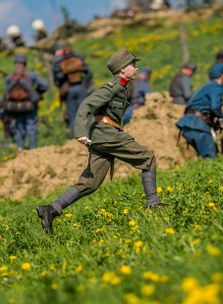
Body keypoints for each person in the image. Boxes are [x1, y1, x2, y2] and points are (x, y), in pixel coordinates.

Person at [36, 48, 165, 234]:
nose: (136, 68)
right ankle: (154, 204)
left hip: (102, 135)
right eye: (133, 65)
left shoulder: (121, 86)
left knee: (90, 183)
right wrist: (80, 132)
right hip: (107, 134)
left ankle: (51, 209)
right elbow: (85, 106)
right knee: (148, 158)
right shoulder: (111, 88)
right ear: (122, 70)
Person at [176, 63, 223, 158]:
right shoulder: (217, 87)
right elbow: (215, 106)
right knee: (211, 159)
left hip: (188, 124)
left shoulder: (205, 86)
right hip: (198, 126)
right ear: (222, 76)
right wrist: (221, 118)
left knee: (205, 158)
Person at [1, 55, 48, 150]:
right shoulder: (32, 75)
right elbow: (45, 85)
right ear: (25, 64)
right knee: (31, 127)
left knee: (18, 128)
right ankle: (33, 149)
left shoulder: (10, 77)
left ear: (15, 64)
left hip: (15, 107)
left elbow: (6, 92)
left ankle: (20, 149)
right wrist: (37, 93)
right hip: (29, 105)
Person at [53, 44, 93, 135]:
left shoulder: (59, 62)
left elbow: (57, 78)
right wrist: (86, 84)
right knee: (86, 112)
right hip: (81, 87)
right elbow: (89, 73)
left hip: (68, 90)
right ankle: (91, 134)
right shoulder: (78, 59)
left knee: (72, 114)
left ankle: (76, 137)